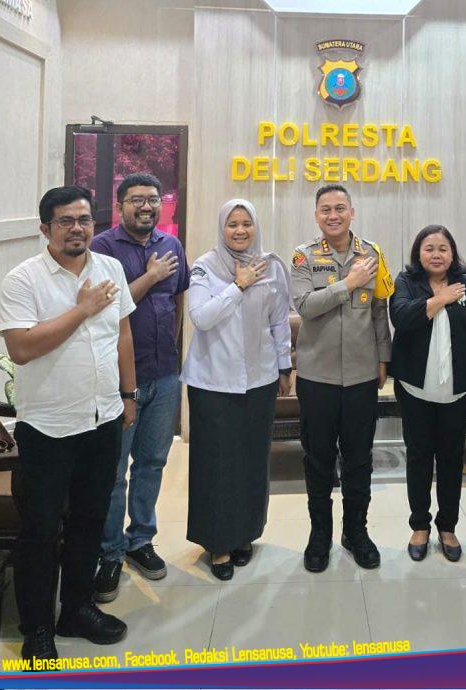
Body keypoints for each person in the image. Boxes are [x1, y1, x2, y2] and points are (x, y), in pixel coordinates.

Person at [0, 186, 135, 660]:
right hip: (48, 427)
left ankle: (76, 608)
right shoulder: (24, 279)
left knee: (89, 520)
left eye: (84, 219)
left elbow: (122, 334)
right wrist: (82, 309)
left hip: (103, 418)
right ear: (45, 229)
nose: (77, 228)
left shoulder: (111, 268)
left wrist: (129, 394)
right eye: (65, 221)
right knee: (39, 530)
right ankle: (37, 629)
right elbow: (21, 348)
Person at [91, 173, 190, 602]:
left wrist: (173, 347)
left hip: (165, 374)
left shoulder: (172, 245)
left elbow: (179, 299)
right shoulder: (102, 249)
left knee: (151, 463)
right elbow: (105, 309)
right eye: (136, 200)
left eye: (153, 199)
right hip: (118, 381)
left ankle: (141, 540)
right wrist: (150, 277)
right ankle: (110, 552)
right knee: (114, 472)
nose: (146, 206)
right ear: (120, 206)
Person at [182, 199, 291, 581]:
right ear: (222, 228)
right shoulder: (205, 266)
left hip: (260, 381)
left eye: (247, 223)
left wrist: (284, 366)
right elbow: (201, 318)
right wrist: (237, 285)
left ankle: (245, 533)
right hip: (214, 383)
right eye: (233, 224)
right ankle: (218, 543)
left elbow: (279, 322)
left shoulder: (271, 266)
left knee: (251, 462)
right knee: (217, 466)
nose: (240, 230)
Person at [291, 184, 392, 573]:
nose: (333, 215)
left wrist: (383, 357)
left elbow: (380, 310)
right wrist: (347, 284)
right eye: (325, 210)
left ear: (352, 211)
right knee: (317, 459)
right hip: (317, 375)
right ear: (316, 215)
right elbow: (305, 306)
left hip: (362, 375)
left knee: (359, 459)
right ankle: (320, 536)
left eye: (339, 208)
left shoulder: (372, 254)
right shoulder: (303, 256)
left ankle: (356, 532)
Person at [389, 225, 466, 562]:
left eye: (442, 248)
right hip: (415, 389)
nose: (436, 254)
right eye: (429, 248)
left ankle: (447, 527)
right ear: (418, 253)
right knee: (419, 457)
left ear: (452, 253)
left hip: (457, 391)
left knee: (452, 459)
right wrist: (440, 300)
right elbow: (401, 317)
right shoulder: (406, 282)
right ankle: (420, 526)